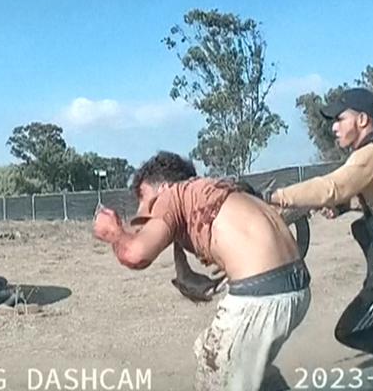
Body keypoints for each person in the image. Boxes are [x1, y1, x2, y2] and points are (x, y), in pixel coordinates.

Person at [93, 151, 310, 391]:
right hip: (295, 287)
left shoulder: (171, 196)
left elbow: (136, 255)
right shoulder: (215, 189)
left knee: (212, 372)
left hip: (261, 297)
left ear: (163, 186)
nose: (142, 209)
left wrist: (112, 232)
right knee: (241, 365)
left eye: (142, 196)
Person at [269, 88, 373, 361]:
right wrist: (343, 207)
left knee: (349, 329)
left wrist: (275, 197)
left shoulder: (371, 153)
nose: (334, 128)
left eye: (340, 119)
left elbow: (330, 187)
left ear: (362, 120)